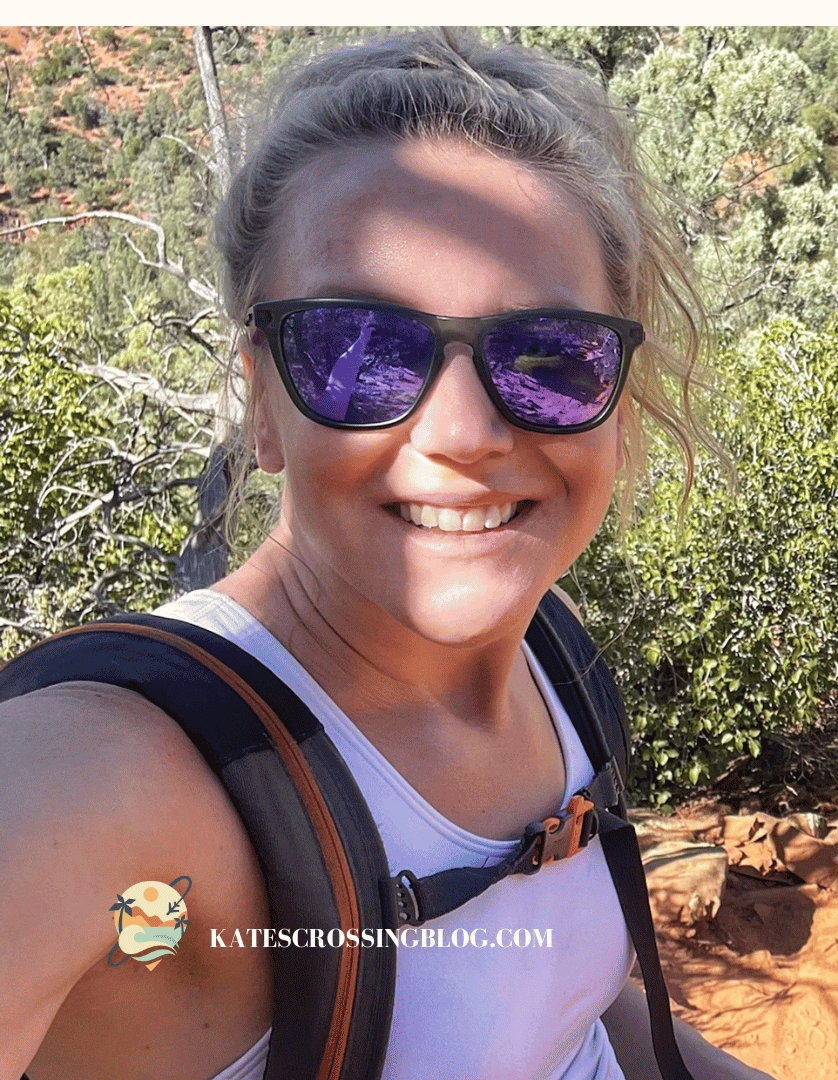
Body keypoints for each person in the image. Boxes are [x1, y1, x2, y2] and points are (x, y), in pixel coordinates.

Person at [0, 30, 773, 1080]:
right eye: (357, 352)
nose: (463, 432)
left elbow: (570, 1014)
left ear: (618, 405)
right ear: (263, 404)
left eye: (549, 354)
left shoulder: (556, 654)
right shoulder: (111, 777)